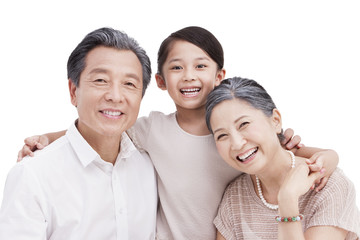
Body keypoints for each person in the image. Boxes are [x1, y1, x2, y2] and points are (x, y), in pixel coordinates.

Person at [16, 26, 339, 239]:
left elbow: (295, 153)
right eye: (176, 68)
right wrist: (47, 138)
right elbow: (104, 125)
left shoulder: (237, 136)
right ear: (159, 81)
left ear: (219, 74)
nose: (189, 77)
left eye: (200, 66)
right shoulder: (152, 129)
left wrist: (328, 157)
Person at [0, 27, 157, 239]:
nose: (115, 96)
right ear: (74, 91)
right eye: (101, 80)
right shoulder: (33, 176)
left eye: (129, 84)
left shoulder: (150, 166)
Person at [205, 77, 360, 239]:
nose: (236, 144)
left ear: (276, 121)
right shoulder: (235, 198)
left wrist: (288, 199)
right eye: (222, 135)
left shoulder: (329, 186)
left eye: (243, 124)